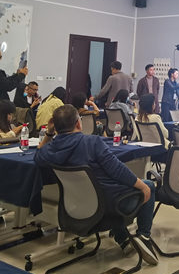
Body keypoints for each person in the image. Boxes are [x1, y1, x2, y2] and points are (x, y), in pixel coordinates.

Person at [34, 105, 158, 265]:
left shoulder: (51, 149)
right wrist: (143, 186)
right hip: (108, 204)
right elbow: (117, 170)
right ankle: (144, 237)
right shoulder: (92, 142)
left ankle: (123, 240)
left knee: (110, 190)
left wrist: (49, 133)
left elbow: (38, 155)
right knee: (148, 185)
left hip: (76, 205)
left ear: (56, 127)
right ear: (78, 124)